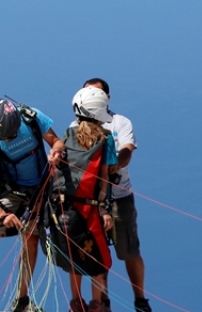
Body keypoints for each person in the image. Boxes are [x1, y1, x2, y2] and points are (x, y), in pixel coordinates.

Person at [0, 98, 65, 312]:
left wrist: (56, 152)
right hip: (13, 191)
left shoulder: (32, 119)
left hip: (42, 187)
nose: (8, 140)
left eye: (11, 135)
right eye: (4, 138)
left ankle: (21, 300)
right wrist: (1, 215)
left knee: (31, 238)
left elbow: (56, 142)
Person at [48, 86, 118, 312]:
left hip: (64, 211)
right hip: (91, 212)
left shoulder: (66, 136)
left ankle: (76, 305)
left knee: (74, 261)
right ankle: (97, 305)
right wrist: (105, 210)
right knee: (99, 263)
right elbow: (105, 177)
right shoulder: (106, 140)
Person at [84, 77, 151, 312]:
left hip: (120, 197)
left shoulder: (120, 122)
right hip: (91, 200)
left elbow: (126, 152)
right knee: (97, 253)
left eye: (96, 93)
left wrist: (110, 167)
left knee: (129, 250)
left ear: (107, 98)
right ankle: (103, 302)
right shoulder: (76, 128)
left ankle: (140, 300)